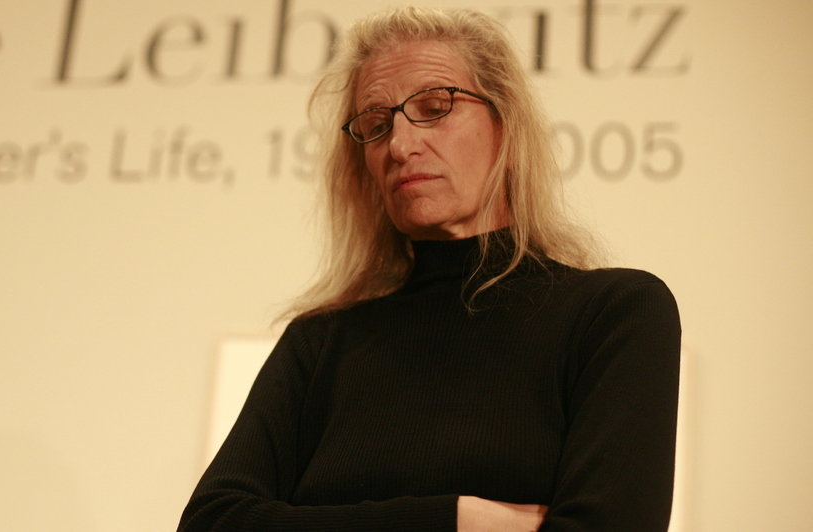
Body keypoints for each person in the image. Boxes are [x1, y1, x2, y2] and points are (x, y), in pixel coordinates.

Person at [178, 6, 680, 532]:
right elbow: (213, 522)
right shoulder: (321, 342)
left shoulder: (613, 314)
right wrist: (458, 519)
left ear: (506, 127)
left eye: (435, 108)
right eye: (376, 126)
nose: (400, 146)